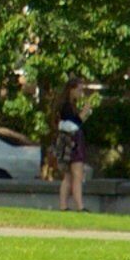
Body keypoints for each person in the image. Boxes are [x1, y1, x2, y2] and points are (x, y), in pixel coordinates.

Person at [44, 83, 89, 212]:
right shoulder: (67, 106)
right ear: (71, 89)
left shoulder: (68, 105)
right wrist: (84, 113)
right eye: (79, 90)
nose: (81, 93)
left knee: (69, 176)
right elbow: (73, 125)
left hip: (70, 142)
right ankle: (79, 206)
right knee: (77, 174)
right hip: (73, 142)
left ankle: (64, 206)